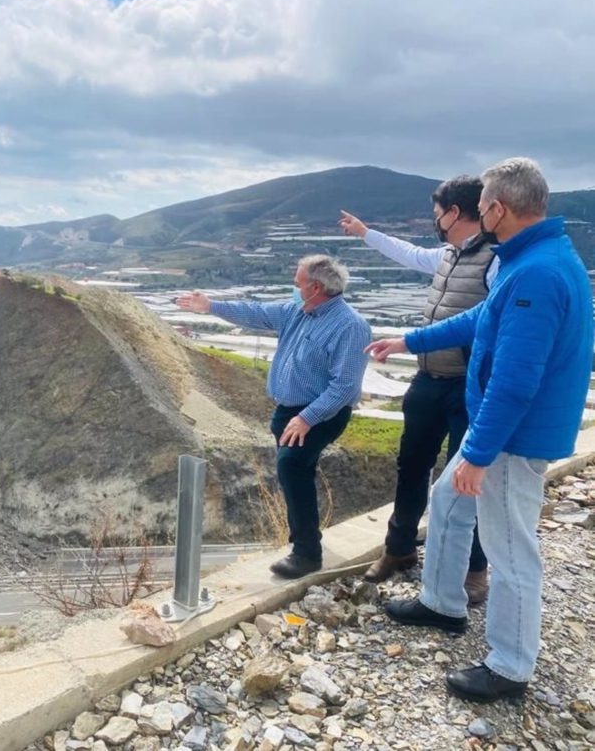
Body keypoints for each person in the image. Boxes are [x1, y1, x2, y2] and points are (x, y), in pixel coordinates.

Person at [366, 157, 593, 703]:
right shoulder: (530, 260)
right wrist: (410, 341)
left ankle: (511, 666)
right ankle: (442, 604)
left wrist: (479, 452)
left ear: (499, 208)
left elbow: (516, 381)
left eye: (484, 203)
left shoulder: (534, 273)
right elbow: (480, 320)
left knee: (510, 548)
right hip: (507, 430)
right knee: (447, 504)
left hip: (516, 435)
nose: (480, 211)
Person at [339, 176, 498, 605]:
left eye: (437, 214)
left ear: (455, 212)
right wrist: (365, 232)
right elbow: (407, 254)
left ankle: (475, 569)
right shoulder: (447, 255)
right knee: (411, 467)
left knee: (468, 479)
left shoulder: (495, 262)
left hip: (470, 386)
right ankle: (400, 549)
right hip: (429, 381)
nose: (435, 222)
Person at [177, 255, 371, 578]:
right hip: (288, 411)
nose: (293, 289)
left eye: (297, 284)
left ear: (316, 287)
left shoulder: (351, 327)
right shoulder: (297, 311)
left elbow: (344, 387)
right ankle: (304, 536)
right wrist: (210, 306)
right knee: (297, 472)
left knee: (291, 464)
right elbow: (254, 313)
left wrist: (307, 418)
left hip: (323, 412)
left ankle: (307, 552)